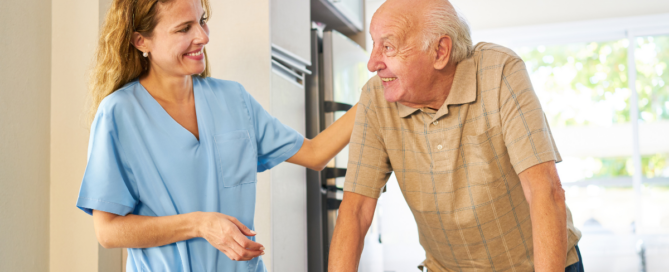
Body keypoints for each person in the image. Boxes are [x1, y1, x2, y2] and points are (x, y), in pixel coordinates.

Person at [76, 0, 356, 271]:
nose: (202, 37)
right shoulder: (119, 114)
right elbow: (108, 231)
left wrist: (373, 97)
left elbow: (315, 154)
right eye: (183, 29)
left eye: (202, 21)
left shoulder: (234, 100)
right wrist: (200, 225)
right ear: (141, 41)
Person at [328, 0, 584, 271]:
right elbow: (355, 212)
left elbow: (544, 189)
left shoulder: (499, 72)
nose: (372, 63)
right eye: (374, 44)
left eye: (388, 46)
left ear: (440, 51)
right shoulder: (375, 98)